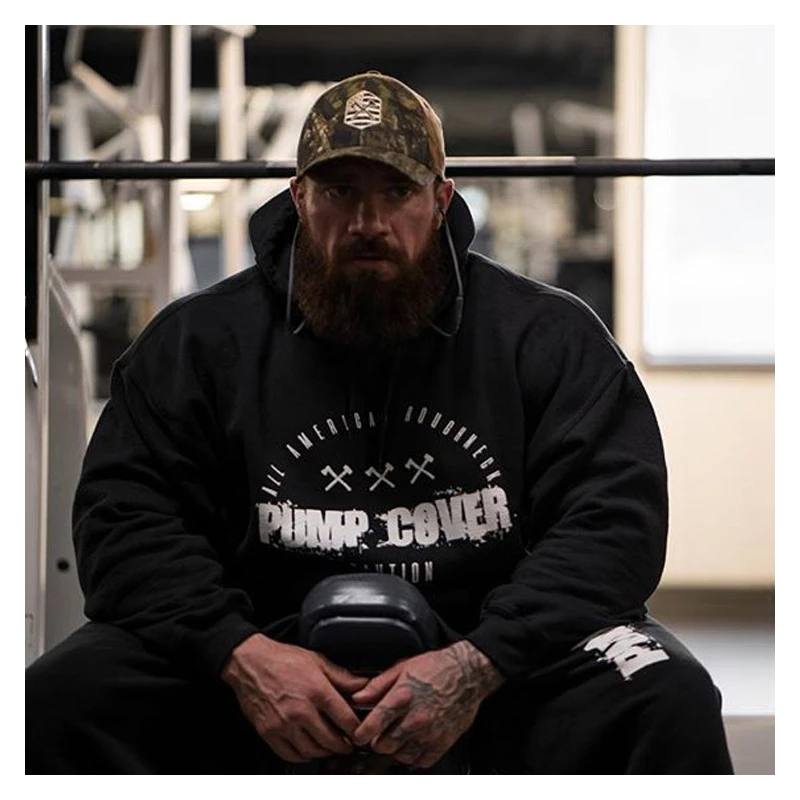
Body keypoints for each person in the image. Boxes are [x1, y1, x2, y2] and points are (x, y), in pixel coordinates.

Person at [24, 70, 735, 776]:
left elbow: (614, 523)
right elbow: (125, 522)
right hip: (259, 651)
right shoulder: (197, 344)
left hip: (495, 651)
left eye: (397, 192)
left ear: (441, 199)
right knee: (61, 698)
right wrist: (240, 655)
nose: (369, 222)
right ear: (299, 198)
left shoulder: (548, 338)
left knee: (666, 696)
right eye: (340, 192)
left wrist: (479, 663)